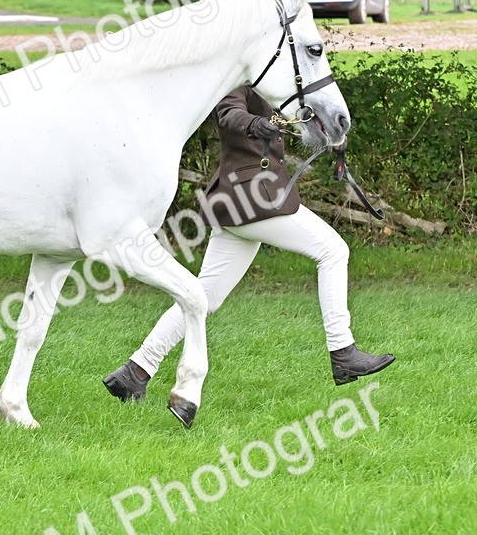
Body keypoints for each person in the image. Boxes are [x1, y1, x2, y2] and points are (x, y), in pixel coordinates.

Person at [103, 86, 395, 404]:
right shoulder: (238, 76)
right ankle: (343, 351)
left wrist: (330, 134)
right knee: (333, 251)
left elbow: (299, 111)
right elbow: (228, 113)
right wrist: (257, 124)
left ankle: (136, 370)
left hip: (239, 200)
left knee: (204, 297)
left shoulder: (270, 81)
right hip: (252, 198)